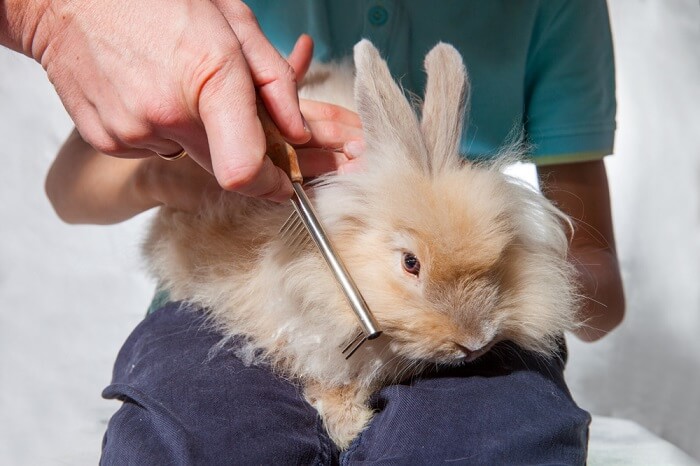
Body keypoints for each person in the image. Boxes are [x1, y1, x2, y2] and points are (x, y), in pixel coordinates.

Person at [13, 0, 626, 463]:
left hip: (480, 314)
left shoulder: (556, 10)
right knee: (195, 433)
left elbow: (596, 274)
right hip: (225, 298)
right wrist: (173, 176)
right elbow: (67, 187)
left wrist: (541, 273)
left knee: (499, 440)